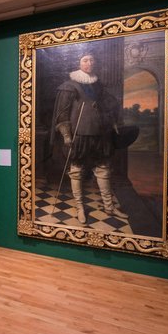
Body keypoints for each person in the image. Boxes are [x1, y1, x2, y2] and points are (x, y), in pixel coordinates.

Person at [53, 51, 128, 224]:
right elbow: (62, 113)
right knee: (76, 171)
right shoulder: (69, 86)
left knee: (103, 169)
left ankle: (109, 207)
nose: (89, 63)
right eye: (85, 60)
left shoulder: (98, 85)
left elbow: (107, 106)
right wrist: (66, 135)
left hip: (100, 134)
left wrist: (111, 121)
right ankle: (79, 207)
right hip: (79, 134)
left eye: (92, 60)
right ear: (78, 63)